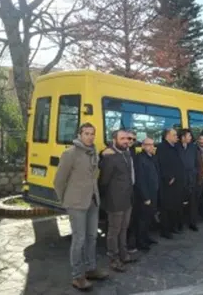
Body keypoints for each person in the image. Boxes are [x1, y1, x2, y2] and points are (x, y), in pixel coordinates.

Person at [54, 123, 108, 291]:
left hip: (93, 201)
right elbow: (58, 181)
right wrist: (66, 200)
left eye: (92, 133)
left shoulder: (93, 153)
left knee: (92, 237)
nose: (90, 136)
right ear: (79, 134)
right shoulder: (70, 154)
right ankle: (78, 276)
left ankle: (91, 268)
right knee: (79, 239)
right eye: (86, 133)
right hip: (76, 204)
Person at [98, 129, 136, 272]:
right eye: (122, 138)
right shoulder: (109, 156)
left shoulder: (127, 153)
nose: (126, 141)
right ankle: (113, 259)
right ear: (115, 140)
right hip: (115, 201)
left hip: (127, 199)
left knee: (124, 229)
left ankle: (124, 254)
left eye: (127, 138)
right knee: (114, 231)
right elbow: (104, 181)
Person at [156, 128, 185, 239]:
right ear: (167, 136)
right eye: (174, 135)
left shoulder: (175, 147)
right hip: (168, 183)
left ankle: (173, 227)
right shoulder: (161, 147)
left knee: (175, 206)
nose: (176, 137)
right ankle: (165, 231)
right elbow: (162, 164)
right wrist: (169, 177)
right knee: (166, 208)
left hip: (177, 182)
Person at [135, 138, 160, 250]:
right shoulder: (140, 158)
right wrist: (146, 197)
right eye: (148, 145)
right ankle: (141, 242)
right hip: (146, 195)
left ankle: (147, 237)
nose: (151, 147)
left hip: (153, 192)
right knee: (142, 219)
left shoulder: (152, 157)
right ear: (143, 146)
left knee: (150, 217)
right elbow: (140, 180)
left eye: (152, 144)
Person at [175, 129, 199, 231]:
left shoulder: (193, 147)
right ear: (182, 137)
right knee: (179, 202)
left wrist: (195, 172)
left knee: (193, 202)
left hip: (191, 178)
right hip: (180, 179)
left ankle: (192, 223)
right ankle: (179, 223)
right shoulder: (176, 147)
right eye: (188, 136)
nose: (190, 138)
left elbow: (196, 161)